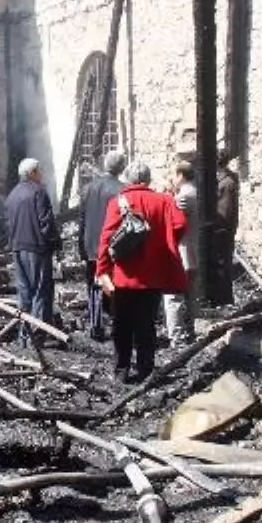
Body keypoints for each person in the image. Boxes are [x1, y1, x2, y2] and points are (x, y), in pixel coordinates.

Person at [95, 160, 187, 384]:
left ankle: (122, 370)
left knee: (122, 325)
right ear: (148, 178)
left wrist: (102, 270)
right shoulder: (164, 201)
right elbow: (180, 224)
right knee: (147, 325)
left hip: (123, 276)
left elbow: (106, 238)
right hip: (152, 276)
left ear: (128, 178)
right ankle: (146, 370)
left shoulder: (118, 202)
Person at [4, 158, 60, 346]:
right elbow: (46, 223)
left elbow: (9, 224)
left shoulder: (12, 195)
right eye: (40, 170)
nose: (42, 174)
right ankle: (37, 335)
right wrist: (54, 245)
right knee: (39, 291)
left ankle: (24, 334)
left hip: (18, 248)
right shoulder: (39, 192)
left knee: (24, 292)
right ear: (33, 172)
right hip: (36, 249)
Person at [77, 150, 126, 341]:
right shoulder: (121, 190)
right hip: (112, 245)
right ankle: (116, 323)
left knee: (93, 285)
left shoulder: (88, 188)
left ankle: (95, 324)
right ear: (121, 167)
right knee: (113, 286)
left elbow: (82, 219)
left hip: (91, 245)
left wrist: (81, 244)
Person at [163, 157, 199, 347]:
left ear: (180, 175)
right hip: (192, 252)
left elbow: (171, 218)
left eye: (173, 174)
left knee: (173, 295)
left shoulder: (184, 196)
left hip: (183, 252)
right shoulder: (195, 192)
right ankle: (192, 329)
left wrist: (168, 195)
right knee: (190, 293)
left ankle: (176, 336)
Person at [213, 148, 240, 306]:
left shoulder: (227, 182)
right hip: (221, 231)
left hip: (222, 232)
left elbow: (224, 212)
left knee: (223, 267)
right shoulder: (223, 180)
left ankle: (225, 302)